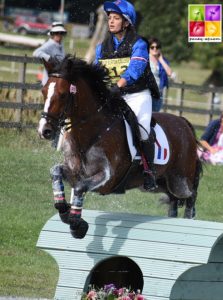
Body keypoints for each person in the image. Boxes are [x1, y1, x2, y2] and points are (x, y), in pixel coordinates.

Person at [95, 0, 160, 191]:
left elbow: (136, 68)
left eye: (116, 18)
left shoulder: (139, 44)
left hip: (137, 95)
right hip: (115, 95)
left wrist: (118, 85)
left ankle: (149, 171)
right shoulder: (102, 47)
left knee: (143, 130)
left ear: (126, 22)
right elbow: (96, 71)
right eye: (110, 18)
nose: (111, 22)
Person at [148, 37, 173, 112]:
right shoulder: (145, 59)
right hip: (147, 92)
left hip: (159, 93)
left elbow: (169, 73)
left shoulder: (163, 61)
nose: (155, 49)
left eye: (157, 47)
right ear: (148, 48)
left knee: (156, 116)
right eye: (152, 47)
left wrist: (161, 60)